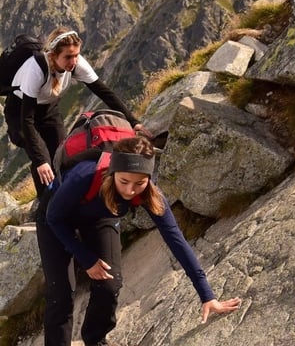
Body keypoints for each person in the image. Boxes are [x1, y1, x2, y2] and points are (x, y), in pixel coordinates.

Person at [39, 136, 242, 346]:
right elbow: (53, 218)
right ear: (113, 172)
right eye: (124, 181)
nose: (130, 190)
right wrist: (87, 259)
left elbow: (176, 241)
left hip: (100, 215)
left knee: (110, 285)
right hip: (55, 217)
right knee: (61, 296)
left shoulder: (150, 195)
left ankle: (95, 339)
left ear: (148, 178)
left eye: (140, 183)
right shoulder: (84, 176)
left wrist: (207, 296)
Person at [4, 27, 144, 196]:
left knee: (62, 155)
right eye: (68, 57)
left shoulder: (77, 65)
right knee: (42, 157)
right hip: (19, 111)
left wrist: (133, 121)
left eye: (76, 55)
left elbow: (105, 93)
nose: (74, 61)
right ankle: (45, 206)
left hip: (48, 109)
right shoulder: (36, 68)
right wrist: (40, 160)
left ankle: (61, 197)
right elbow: (27, 119)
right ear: (54, 54)